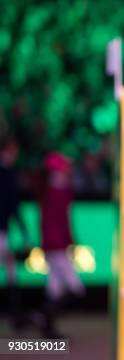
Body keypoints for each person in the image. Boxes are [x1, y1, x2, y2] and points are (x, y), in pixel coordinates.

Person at [39, 152, 84, 337]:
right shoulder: (56, 192)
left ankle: (48, 327)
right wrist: (68, 242)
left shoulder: (52, 191)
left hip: (53, 245)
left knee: (55, 290)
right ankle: (43, 317)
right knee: (75, 289)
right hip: (56, 246)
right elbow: (61, 222)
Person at [0, 137, 30, 330]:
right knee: (11, 273)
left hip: (3, 231)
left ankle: (16, 316)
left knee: (12, 274)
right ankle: (15, 317)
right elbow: (13, 205)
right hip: (1, 231)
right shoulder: (7, 174)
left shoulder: (10, 172)